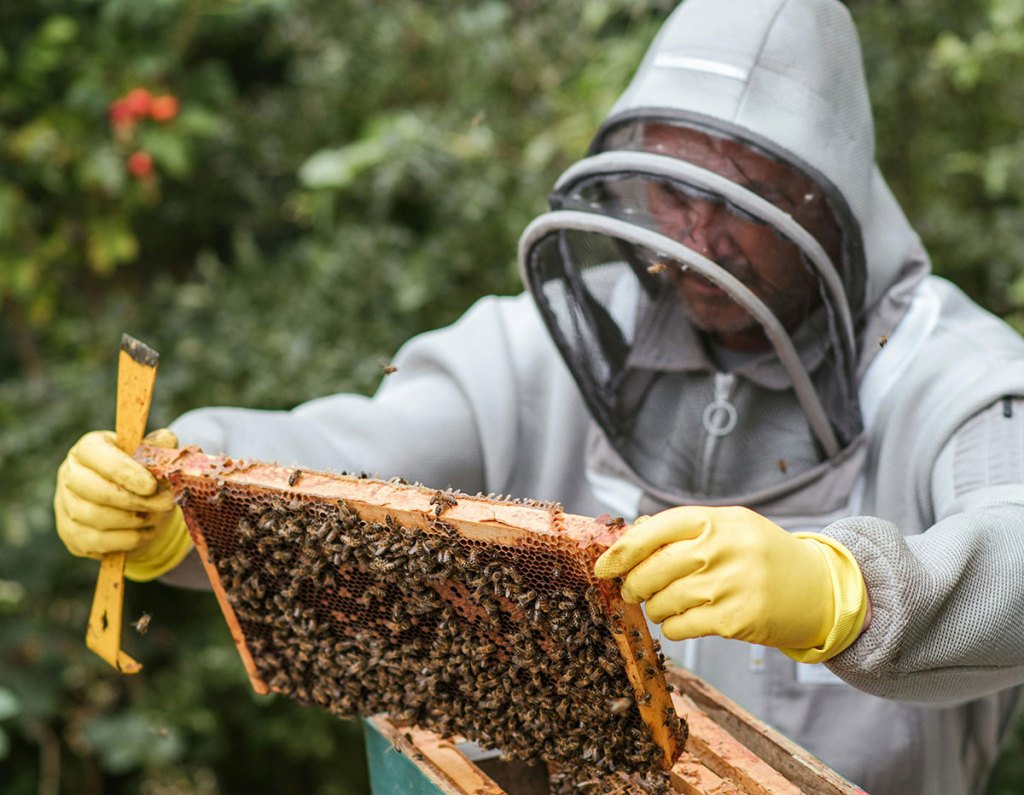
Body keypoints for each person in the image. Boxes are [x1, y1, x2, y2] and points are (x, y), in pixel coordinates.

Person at [53, 0, 1024, 792]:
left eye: (740, 198)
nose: (695, 235)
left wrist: (843, 592)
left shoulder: (951, 372)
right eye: (673, 191)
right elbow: (361, 447)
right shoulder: (553, 344)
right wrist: (181, 494)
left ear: (824, 199)